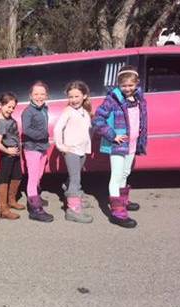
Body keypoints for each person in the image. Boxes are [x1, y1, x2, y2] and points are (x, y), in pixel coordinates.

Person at [93, 65, 147, 228]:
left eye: (131, 85)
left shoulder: (138, 99)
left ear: (137, 84)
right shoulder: (113, 99)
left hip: (132, 143)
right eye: (124, 85)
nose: (127, 88)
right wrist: (112, 135)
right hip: (118, 145)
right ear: (118, 84)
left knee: (125, 172)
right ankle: (117, 212)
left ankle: (123, 201)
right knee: (116, 176)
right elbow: (97, 120)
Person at [53, 81, 94, 223]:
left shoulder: (85, 111)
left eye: (77, 96)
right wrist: (61, 146)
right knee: (75, 179)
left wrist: (88, 146)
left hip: (82, 150)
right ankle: (73, 210)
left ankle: (72, 194)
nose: (73, 100)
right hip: (72, 151)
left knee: (74, 177)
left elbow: (87, 130)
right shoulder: (68, 111)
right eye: (70, 97)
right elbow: (57, 129)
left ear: (84, 96)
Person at [21, 81, 54, 222]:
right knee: (33, 178)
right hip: (32, 148)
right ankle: (35, 209)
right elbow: (26, 130)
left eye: (42, 94)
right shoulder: (28, 111)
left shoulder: (44, 109)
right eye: (36, 94)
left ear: (46, 95)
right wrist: (42, 135)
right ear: (30, 96)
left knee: (39, 175)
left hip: (42, 147)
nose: (39, 96)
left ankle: (35, 198)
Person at [0, 92, 23, 220]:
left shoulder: (9, 120)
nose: (10, 110)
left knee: (17, 176)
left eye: (13, 107)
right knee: (4, 179)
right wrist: (8, 151)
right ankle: (3, 209)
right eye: (8, 106)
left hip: (15, 154)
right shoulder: (1, 122)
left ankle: (11, 201)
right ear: (0, 105)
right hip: (7, 156)